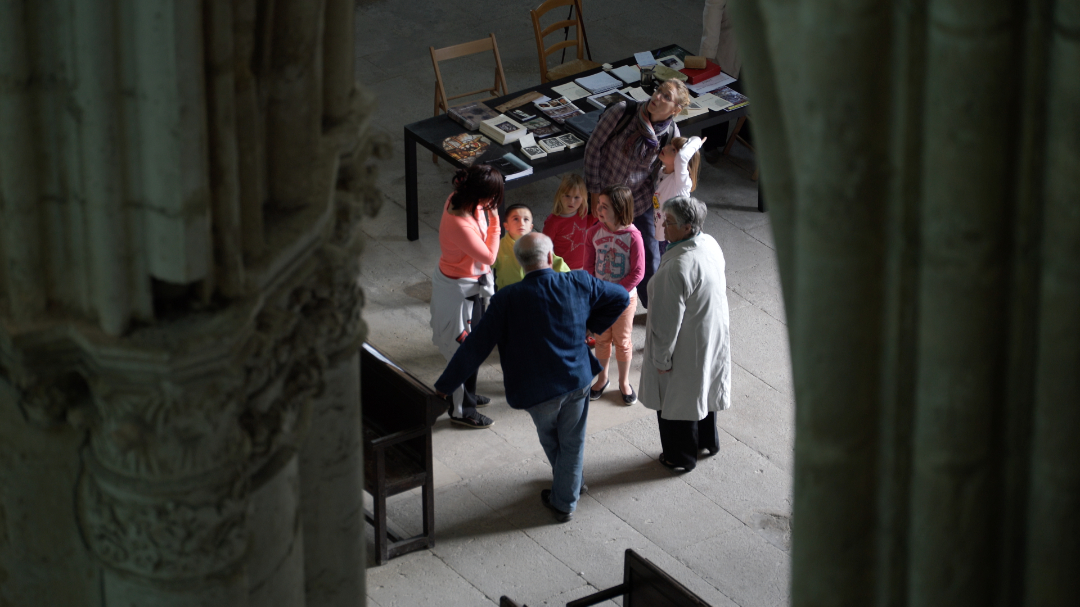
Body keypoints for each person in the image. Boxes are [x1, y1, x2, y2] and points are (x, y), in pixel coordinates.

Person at [434, 233, 630, 522]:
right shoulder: (578, 281)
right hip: (576, 379)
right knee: (573, 442)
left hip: (536, 391)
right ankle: (569, 488)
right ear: (550, 257)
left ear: (520, 263)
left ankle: (565, 501)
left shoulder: (506, 299)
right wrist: (590, 326)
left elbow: (474, 348)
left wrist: (444, 387)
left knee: (551, 440)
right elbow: (621, 297)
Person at [639, 196, 731, 472]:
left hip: (686, 344)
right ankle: (706, 441)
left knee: (677, 401)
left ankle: (680, 457)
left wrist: (661, 360)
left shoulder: (677, 267)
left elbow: (665, 324)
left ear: (688, 227)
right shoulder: (709, 243)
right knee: (703, 390)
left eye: (668, 222)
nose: (662, 226)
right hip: (709, 332)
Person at [583, 79, 688, 309]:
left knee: (651, 258)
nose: (657, 97)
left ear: (676, 110)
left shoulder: (670, 134)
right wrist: (594, 193)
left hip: (638, 201)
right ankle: (598, 305)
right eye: (658, 91)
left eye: (666, 97)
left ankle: (655, 311)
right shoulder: (622, 112)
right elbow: (593, 149)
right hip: (605, 195)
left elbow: (671, 171)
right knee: (598, 251)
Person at [429, 164, 503, 428]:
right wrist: (496, 223)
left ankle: (465, 396)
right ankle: (461, 410)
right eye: (492, 197)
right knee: (463, 351)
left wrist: (487, 211)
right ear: (480, 195)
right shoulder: (459, 221)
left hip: (471, 285)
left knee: (476, 346)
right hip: (459, 293)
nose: (493, 203)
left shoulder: (466, 200)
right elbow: (489, 256)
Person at [583, 185, 644, 405]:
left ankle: (624, 382)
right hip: (600, 299)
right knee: (601, 340)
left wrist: (616, 293)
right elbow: (588, 266)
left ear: (619, 209)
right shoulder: (593, 232)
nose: (599, 209)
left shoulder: (633, 237)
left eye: (605, 206)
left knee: (623, 342)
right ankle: (602, 379)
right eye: (599, 205)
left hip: (623, 301)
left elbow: (638, 272)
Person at [699, 0, 743, 163]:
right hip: (732, 34)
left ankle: (745, 132)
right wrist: (708, 50)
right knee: (721, 88)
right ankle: (712, 141)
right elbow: (714, 7)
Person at [493, 204, 571, 289]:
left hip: (535, 290)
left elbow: (557, 263)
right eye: (516, 219)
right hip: (507, 293)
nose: (521, 223)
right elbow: (487, 265)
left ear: (531, 227)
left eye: (526, 219)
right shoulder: (498, 246)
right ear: (506, 225)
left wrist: (569, 280)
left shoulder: (538, 244)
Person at [652, 135, 705, 254]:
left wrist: (698, 141)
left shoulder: (681, 182)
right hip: (660, 231)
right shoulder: (662, 172)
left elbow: (681, 158)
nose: (666, 148)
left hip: (672, 237)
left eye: (673, 150)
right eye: (669, 145)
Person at [542, 173, 596, 271]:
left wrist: (598, 215)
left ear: (583, 198)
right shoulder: (552, 222)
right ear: (559, 195)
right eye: (567, 196)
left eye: (576, 197)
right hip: (563, 269)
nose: (571, 201)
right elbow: (544, 247)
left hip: (584, 265)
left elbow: (584, 226)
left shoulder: (582, 213)